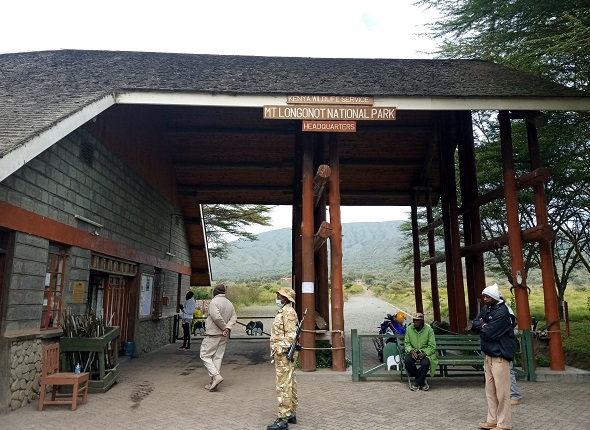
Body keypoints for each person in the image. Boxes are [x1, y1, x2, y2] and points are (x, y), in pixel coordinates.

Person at [472, 283, 517, 430]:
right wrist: (482, 325)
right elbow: (474, 322)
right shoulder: (488, 308)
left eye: (487, 297)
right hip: (489, 355)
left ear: (494, 297)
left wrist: (483, 326)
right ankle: (492, 420)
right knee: (490, 391)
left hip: (500, 356)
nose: (485, 299)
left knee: (502, 392)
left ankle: (503, 423)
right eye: (484, 296)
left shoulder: (503, 312)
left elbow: (489, 333)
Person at [267, 287, 299, 430]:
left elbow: (291, 335)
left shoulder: (288, 312)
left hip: (284, 354)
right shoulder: (284, 311)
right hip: (283, 353)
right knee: (289, 383)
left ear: (285, 298)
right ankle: (291, 413)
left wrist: (280, 349)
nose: (277, 298)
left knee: (283, 385)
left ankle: (283, 418)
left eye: (279, 296)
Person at [199, 284, 237, 391]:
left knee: (205, 355)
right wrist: (227, 328)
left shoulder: (214, 302)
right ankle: (213, 382)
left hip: (213, 334)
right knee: (217, 357)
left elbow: (216, 317)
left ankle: (216, 376)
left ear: (215, 292)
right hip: (223, 335)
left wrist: (224, 327)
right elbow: (234, 317)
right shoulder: (229, 303)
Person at [498, 291, 523, 406]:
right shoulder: (505, 310)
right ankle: (507, 394)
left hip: (505, 344)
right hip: (502, 344)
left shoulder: (505, 311)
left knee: (508, 370)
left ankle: (514, 395)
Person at [403, 312, 438, 391]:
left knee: (425, 363)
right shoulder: (409, 329)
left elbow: (432, 346)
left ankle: (417, 383)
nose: (415, 322)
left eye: (417, 320)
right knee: (407, 361)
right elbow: (407, 343)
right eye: (414, 320)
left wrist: (425, 353)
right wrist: (411, 351)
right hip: (414, 350)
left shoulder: (429, 330)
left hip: (425, 351)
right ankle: (421, 381)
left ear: (422, 321)